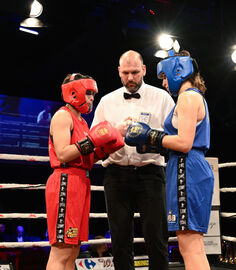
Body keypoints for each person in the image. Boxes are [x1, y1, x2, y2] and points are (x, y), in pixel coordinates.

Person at [125, 49, 214, 270]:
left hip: (186, 167)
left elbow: (184, 142)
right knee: (193, 245)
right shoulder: (193, 97)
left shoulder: (187, 98)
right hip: (186, 166)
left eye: (164, 77)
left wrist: (151, 135)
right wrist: (152, 140)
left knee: (190, 246)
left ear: (177, 71)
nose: (164, 83)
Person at [91, 50, 175, 270]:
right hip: (116, 174)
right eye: (126, 72)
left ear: (144, 70)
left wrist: (150, 137)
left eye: (135, 72)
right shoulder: (107, 102)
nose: (130, 78)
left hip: (151, 173)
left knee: (157, 238)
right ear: (119, 72)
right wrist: (115, 133)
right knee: (119, 240)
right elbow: (93, 141)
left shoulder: (162, 98)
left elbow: (176, 136)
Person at [45, 73, 125, 270]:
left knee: (73, 250)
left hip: (81, 182)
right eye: (88, 93)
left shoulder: (81, 121)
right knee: (61, 251)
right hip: (65, 181)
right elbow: (63, 154)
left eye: (93, 94)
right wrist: (92, 140)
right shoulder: (63, 115)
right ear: (74, 92)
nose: (91, 98)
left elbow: (85, 158)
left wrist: (105, 149)